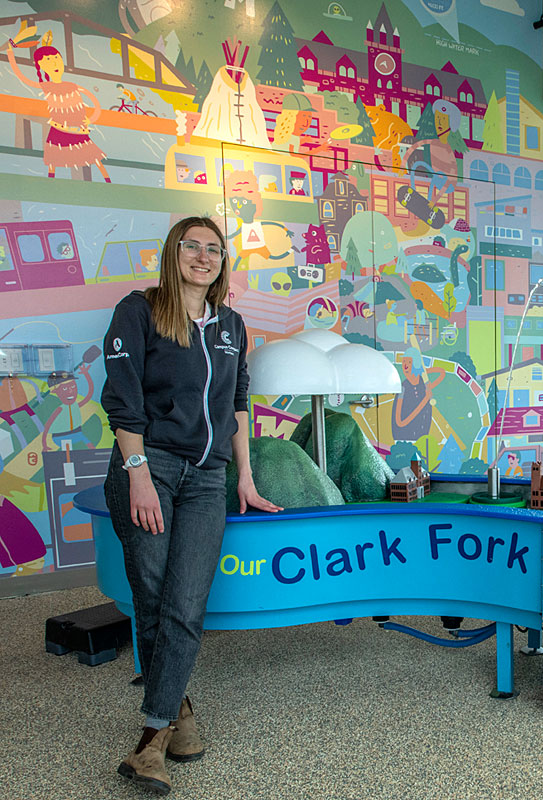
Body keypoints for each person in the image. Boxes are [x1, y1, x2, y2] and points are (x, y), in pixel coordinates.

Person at [101, 216, 281, 794]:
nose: (203, 256)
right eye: (192, 247)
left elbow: (237, 403)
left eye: (214, 249)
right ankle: (173, 718)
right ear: (173, 253)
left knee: (186, 603)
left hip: (207, 479)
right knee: (153, 598)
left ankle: (150, 739)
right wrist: (138, 475)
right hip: (146, 468)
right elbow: (122, 401)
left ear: (223, 261)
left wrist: (245, 479)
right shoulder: (141, 310)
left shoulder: (231, 325)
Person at [5, 24, 111, 182]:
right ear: (41, 66)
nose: (55, 64)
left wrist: (91, 119)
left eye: (56, 59)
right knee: (54, 160)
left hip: (78, 129)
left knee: (93, 157)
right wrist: (10, 51)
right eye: (48, 61)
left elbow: (95, 104)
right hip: (59, 129)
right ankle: (52, 182)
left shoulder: (73, 87)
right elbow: (22, 77)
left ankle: (107, 181)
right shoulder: (46, 87)